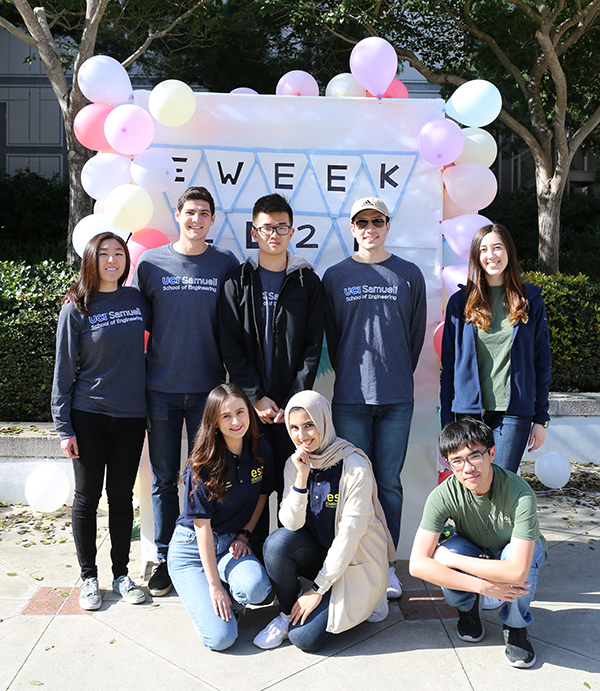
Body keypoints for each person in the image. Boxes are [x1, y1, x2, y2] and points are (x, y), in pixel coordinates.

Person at [133, 186, 238, 597]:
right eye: (189, 212)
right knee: (163, 478)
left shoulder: (224, 264)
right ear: (177, 215)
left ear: (213, 219)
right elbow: (133, 325)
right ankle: (163, 556)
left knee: (207, 476)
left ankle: (204, 551)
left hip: (208, 394)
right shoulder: (150, 264)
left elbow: (233, 327)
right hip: (159, 389)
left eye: (204, 213)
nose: (196, 219)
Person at [322, 196, 426, 598]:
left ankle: (385, 565)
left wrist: (394, 370)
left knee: (389, 484)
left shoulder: (409, 274)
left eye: (377, 220)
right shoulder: (335, 276)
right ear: (351, 227)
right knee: (352, 485)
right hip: (349, 397)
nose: (370, 227)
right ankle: (352, 563)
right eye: (361, 221)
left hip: (397, 397)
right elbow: (333, 334)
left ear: (387, 224)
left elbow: (414, 337)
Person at [218, 193, 324, 554]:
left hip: (291, 413)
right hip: (249, 409)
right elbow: (228, 343)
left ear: (292, 231)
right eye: (266, 228)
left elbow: (312, 348)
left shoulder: (308, 283)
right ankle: (254, 565)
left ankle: (291, 565)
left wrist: (293, 404)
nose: (273, 235)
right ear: (254, 231)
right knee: (253, 488)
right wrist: (254, 396)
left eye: (281, 227)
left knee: (295, 485)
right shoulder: (238, 279)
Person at [253, 390, 395, 652]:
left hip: (356, 560)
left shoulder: (354, 465)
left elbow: (349, 535)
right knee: (276, 544)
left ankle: (373, 596)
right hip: (322, 554)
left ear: (324, 422)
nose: (302, 435)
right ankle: (286, 614)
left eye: (309, 425)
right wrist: (301, 478)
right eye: (294, 427)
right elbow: (290, 524)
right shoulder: (294, 463)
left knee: (304, 639)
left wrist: (317, 589)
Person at [51, 232, 148, 611]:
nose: (112, 260)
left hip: (131, 415)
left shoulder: (136, 299)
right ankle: (89, 577)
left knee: (122, 499)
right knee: (87, 499)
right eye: (104, 254)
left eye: (118, 253)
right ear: (91, 259)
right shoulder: (77, 306)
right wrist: (63, 426)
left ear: (126, 260)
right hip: (88, 414)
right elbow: (63, 369)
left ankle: (122, 574)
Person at [409, 417, 547, 668]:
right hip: (474, 546)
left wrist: (451, 559)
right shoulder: (443, 494)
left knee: (517, 565)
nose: (467, 468)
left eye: (475, 456)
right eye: (457, 460)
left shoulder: (520, 493)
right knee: (448, 551)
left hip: (512, 549)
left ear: (491, 453)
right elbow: (417, 565)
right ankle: (467, 608)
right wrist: (481, 587)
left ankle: (515, 626)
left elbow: (516, 570)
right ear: (449, 464)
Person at [167, 383, 274, 650]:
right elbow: (201, 527)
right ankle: (207, 600)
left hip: (228, 545)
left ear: (250, 412)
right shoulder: (202, 464)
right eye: (226, 416)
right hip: (191, 550)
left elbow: (262, 495)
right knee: (221, 639)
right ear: (214, 421)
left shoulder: (261, 450)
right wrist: (214, 586)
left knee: (258, 589)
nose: (236, 421)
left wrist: (245, 534)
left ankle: (219, 605)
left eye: (240, 412)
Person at [440, 223, 552, 474]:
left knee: (502, 483)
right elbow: (448, 368)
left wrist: (540, 418)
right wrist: (447, 423)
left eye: (497, 247)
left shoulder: (530, 300)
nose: (491, 255)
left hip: (513, 414)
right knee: (473, 485)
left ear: (509, 251)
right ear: (476, 257)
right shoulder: (460, 303)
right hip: (468, 414)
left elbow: (541, 362)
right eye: (483, 250)